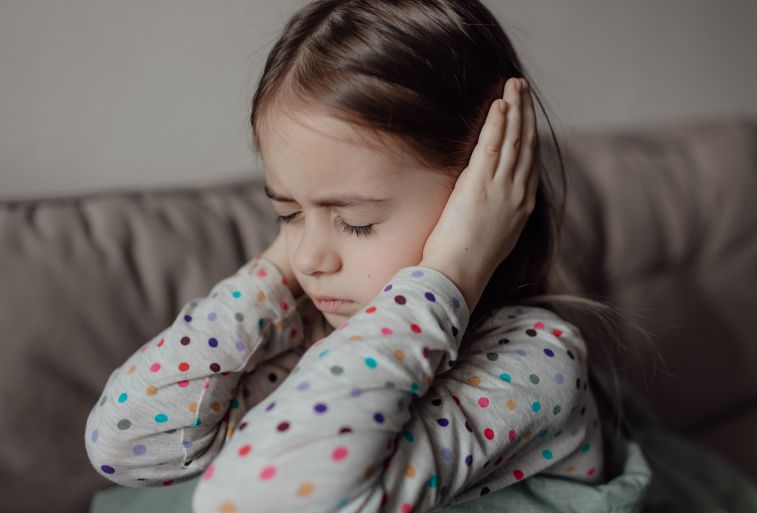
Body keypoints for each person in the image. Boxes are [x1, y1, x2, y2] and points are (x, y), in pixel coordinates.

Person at [85, 1, 648, 511]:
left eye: (357, 222)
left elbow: (261, 497)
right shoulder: (319, 329)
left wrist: (451, 271)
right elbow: (127, 443)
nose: (309, 258)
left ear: (481, 202)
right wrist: (276, 266)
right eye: (287, 214)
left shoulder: (537, 361)